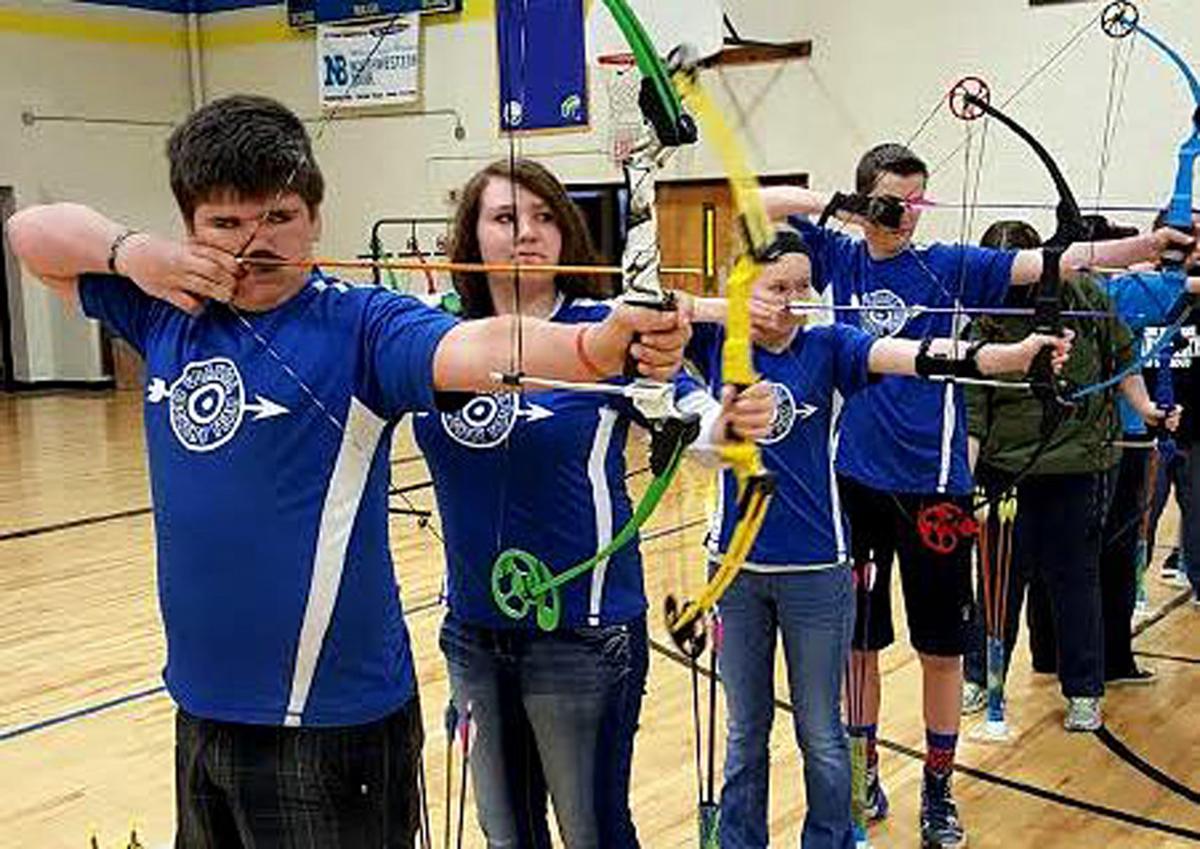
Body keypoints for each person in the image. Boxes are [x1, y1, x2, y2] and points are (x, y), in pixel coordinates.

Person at [5, 96, 691, 849]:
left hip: (331, 723)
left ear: (316, 218)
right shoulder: (168, 308)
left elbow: (476, 347)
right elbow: (29, 234)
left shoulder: (361, 324)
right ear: (190, 226)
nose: (254, 243)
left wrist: (597, 346)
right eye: (225, 224)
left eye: (279, 217)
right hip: (201, 707)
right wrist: (130, 251)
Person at [759, 142, 1194, 849]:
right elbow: (755, 202)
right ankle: (864, 767)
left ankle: (936, 788)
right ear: (868, 199)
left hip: (934, 487)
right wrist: (837, 205)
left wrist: (1150, 244)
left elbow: (1055, 263)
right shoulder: (839, 259)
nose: (905, 216)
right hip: (855, 482)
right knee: (859, 646)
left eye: (915, 202)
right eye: (892, 202)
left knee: (941, 650)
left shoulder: (949, 263)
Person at [412, 158, 772, 849]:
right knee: (506, 833)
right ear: (471, 234)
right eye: (505, 217)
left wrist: (728, 423)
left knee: (592, 831)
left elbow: (686, 414)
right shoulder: (433, 334)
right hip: (474, 628)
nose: (528, 232)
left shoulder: (608, 329)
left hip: (584, 628)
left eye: (545, 217)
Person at [679, 229, 1071, 849]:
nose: (796, 299)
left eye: (805, 286)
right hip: (734, 570)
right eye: (777, 288)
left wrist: (1014, 356)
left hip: (816, 568)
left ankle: (831, 839)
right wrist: (725, 309)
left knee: (822, 734)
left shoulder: (829, 344)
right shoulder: (713, 341)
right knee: (744, 733)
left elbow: (920, 355)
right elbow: (642, 308)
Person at [960, 219, 1179, 729]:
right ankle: (979, 677)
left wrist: (1145, 408)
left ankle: (1084, 690)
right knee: (997, 582)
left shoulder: (1083, 294)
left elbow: (1124, 358)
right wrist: (960, 489)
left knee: (1074, 579)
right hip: (1003, 472)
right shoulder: (984, 313)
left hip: (1078, 466)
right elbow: (973, 409)